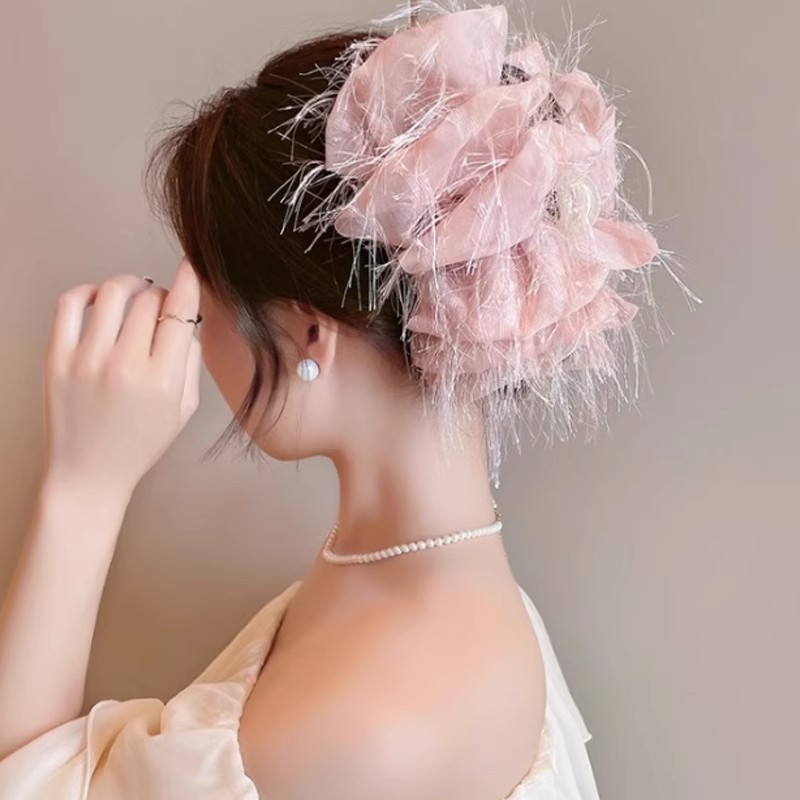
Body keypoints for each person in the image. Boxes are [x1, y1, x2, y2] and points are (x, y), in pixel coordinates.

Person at [0, 3, 676, 798]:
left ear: (310, 334)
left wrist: (85, 487)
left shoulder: (362, 725)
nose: (192, 331)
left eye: (203, 298)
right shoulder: (424, 585)